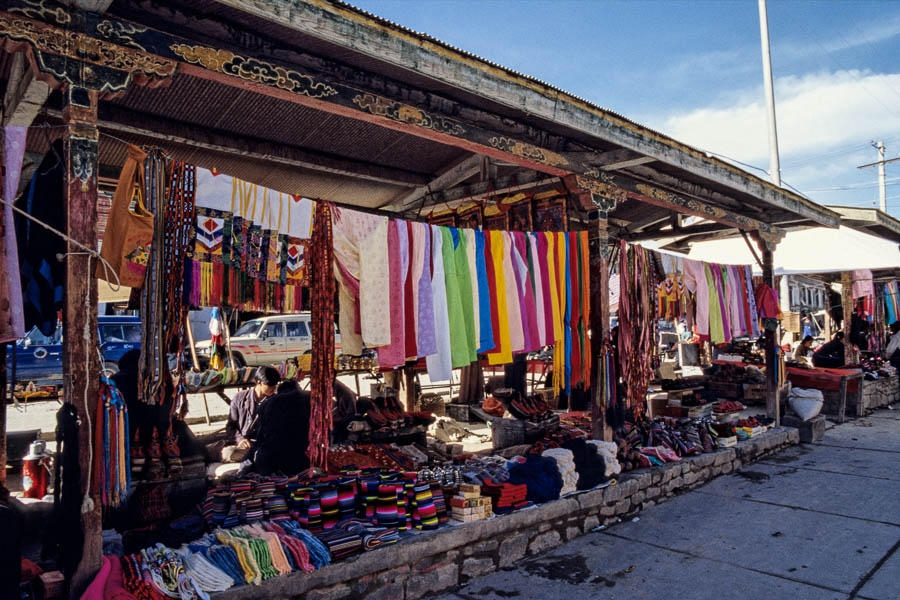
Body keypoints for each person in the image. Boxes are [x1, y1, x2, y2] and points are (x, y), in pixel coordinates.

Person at [211, 366, 279, 463]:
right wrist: (240, 440)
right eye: (270, 385)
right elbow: (231, 427)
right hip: (242, 445)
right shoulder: (239, 398)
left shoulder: (275, 400)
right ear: (259, 382)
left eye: (275, 385)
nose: (274, 388)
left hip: (262, 445)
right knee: (229, 452)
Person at [248, 380, 311, 476]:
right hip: (302, 461)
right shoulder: (309, 397)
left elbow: (260, 438)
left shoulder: (266, 404)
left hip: (272, 463)